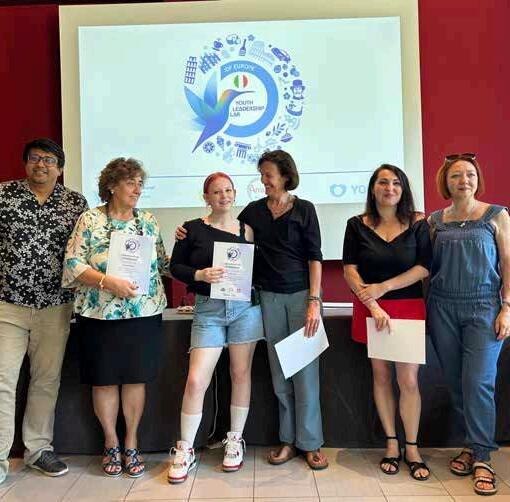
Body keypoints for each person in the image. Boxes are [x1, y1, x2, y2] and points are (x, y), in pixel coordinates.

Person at [62, 158, 168, 478]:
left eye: (140, 183)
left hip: (143, 313)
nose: (137, 189)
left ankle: (131, 442)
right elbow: (73, 264)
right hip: (99, 314)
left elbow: (163, 263)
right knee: (104, 379)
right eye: (130, 183)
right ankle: (111, 442)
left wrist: (192, 246)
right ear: (111, 186)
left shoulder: (148, 221)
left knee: (135, 378)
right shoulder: (90, 219)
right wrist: (108, 282)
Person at [0, 138, 88, 484]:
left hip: (55, 306)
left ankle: (37, 450)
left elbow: (87, 248)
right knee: (3, 381)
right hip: (8, 305)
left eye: (49, 160)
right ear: (26, 164)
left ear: (60, 168)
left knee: (46, 381)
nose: (41, 165)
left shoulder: (75, 203)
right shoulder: (4, 195)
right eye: (35, 158)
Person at [167, 172, 264, 484]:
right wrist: (199, 275)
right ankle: (185, 448)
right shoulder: (191, 229)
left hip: (244, 309)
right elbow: (175, 267)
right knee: (196, 380)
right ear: (206, 197)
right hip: (208, 310)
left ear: (234, 194)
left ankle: (234, 439)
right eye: (217, 191)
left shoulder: (247, 229)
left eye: (228, 190)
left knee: (240, 374)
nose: (224, 196)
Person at [238, 150, 328, 470]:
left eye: (268, 175)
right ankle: (288, 440)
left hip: (303, 297)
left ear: (285, 176)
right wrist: (188, 232)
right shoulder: (253, 211)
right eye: (262, 175)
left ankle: (311, 443)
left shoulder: (305, 209)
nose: (264, 180)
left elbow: (315, 257)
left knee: (305, 373)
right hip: (269, 298)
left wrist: (314, 302)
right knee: (280, 373)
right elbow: (229, 237)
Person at [427, 153, 510, 496]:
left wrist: (507, 307)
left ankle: (483, 458)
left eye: (470, 174)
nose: (464, 180)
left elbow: (508, 261)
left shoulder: (496, 215)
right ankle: (470, 445)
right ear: (445, 182)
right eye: (456, 175)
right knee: (456, 381)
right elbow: (426, 268)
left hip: (485, 307)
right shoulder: (435, 221)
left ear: (478, 180)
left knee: (478, 382)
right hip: (442, 307)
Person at [343, 164, 432, 480]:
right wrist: (373, 303)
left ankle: (412, 448)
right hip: (370, 309)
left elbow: (424, 267)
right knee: (380, 376)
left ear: (403, 189)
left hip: (408, 306)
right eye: (383, 182)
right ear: (373, 188)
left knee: (408, 381)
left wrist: (383, 287)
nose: (389, 188)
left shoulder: (418, 223)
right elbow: (349, 270)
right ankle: (392, 445)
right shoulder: (356, 225)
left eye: (396, 183)